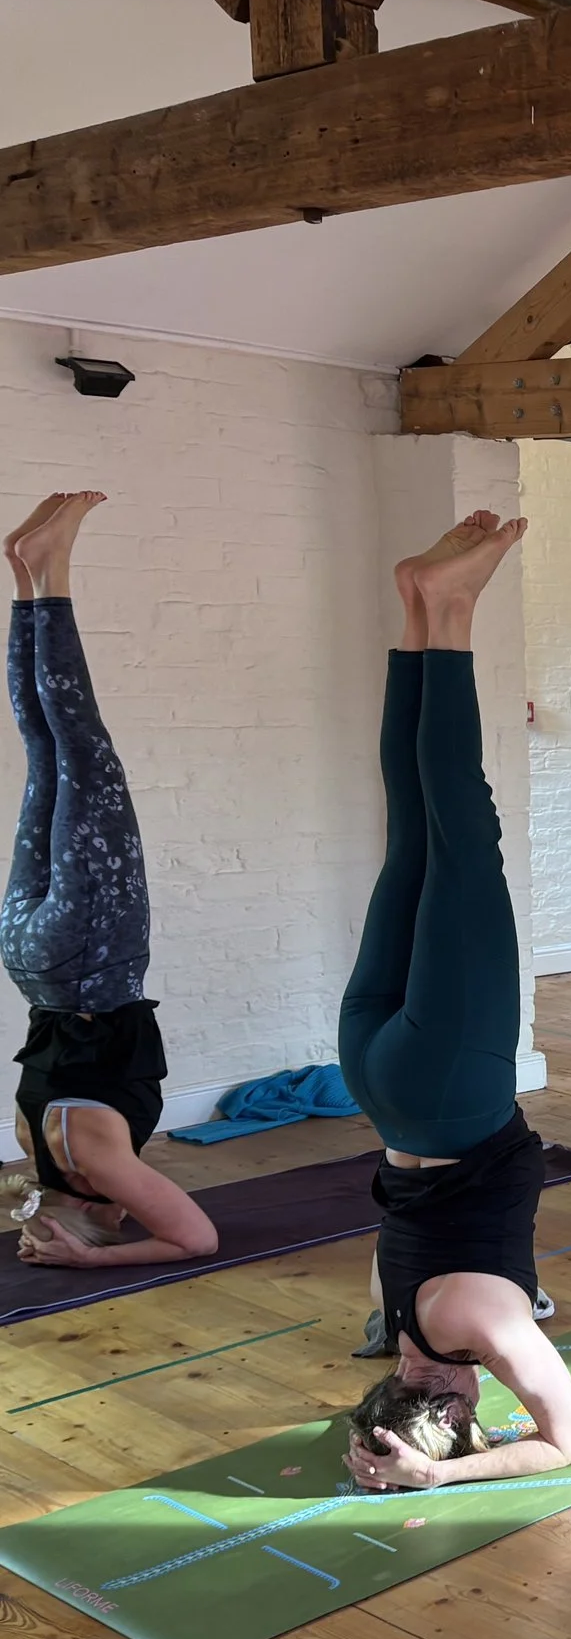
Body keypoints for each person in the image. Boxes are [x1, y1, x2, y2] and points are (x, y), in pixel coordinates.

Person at [339, 511, 571, 1493]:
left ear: (453, 1404)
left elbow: (567, 1442)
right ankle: (420, 604)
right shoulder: (398, 1316)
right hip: (380, 1083)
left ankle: (453, 610)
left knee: (463, 828)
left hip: (452, 1089)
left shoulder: (479, 1321)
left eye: (470, 1416)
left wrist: (440, 1475)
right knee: (413, 829)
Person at [2, 493, 215, 1270]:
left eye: (119, 1220)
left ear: (97, 1213)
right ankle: (31, 573)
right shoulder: (37, 1143)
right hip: (32, 961)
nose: (134, 1210)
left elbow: (196, 1237)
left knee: (84, 748)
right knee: (48, 752)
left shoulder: (98, 1162)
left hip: (92, 957)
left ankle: (51, 574)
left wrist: (92, 1260)